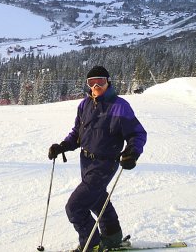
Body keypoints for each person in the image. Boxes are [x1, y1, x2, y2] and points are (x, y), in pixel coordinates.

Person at [48, 66, 147, 252]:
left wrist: (132, 152)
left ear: (108, 82)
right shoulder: (84, 105)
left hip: (105, 163)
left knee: (75, 207)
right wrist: (62, 146)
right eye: (91, 82)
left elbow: (137, 133)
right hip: (86, 162)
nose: (96, 86)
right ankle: (112, 236)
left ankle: (91, 245)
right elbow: (77, 134)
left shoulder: (119, 106)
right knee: (97, 198)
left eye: (100, 81)